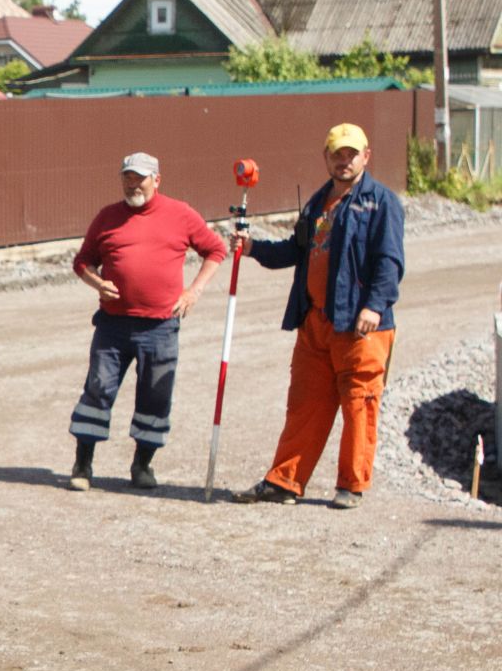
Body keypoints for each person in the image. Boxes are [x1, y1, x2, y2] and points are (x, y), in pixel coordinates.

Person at [234, 123, 405, 509]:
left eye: (350, 154)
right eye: (336, 154)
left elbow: (390, 261)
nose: (343, 161)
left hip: (361, 326)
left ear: (366, 156)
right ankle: (285, 482)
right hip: (315, 323)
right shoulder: (317, 202)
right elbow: (294, 251)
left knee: (359, 404)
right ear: (326, 157)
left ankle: (351, 486)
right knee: (305, 405)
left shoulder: (382, 202)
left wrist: (374, 306)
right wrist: (252, 248)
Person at [66, 152, 228, 491]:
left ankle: (142, 466)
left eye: (139, 177)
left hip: (160, 327)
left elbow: (216, 250)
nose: (131, 183)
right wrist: (97, 283)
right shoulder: (108, 217)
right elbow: (82, 262)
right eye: (127, 176)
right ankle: (83, 464)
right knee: (98, 387)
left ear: (157, 179)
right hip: (113, 325)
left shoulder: (180, 214)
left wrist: (193, 292)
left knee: (155, 396)